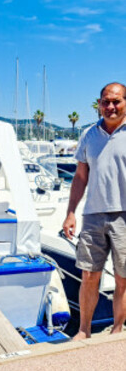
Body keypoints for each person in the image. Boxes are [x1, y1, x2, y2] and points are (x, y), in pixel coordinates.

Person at [63, 82, 126, 340]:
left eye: (116, 101)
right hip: (93, 215)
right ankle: (84, 330)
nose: (110, 106)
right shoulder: (89, 135)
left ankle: (117, 330)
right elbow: (80, 177)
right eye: (106, 101)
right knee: (89, 275)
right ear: (99, 104)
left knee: (123, 278)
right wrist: (70, 212)